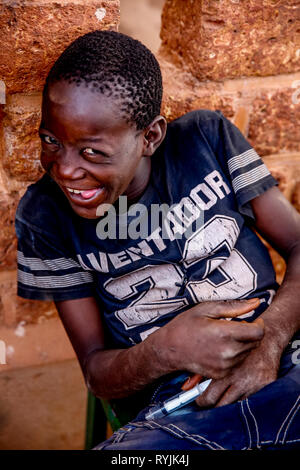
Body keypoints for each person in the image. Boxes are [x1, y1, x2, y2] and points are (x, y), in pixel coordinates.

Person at [15, 30, 300, 450]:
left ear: (150, 137)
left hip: (284, 354)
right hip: (181, 405)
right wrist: (164, 351)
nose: (65, 170)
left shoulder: (206, 140)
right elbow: (96, 371)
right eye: (51, 141)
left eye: (92, 151)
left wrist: (270, 339)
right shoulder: (45, 215)